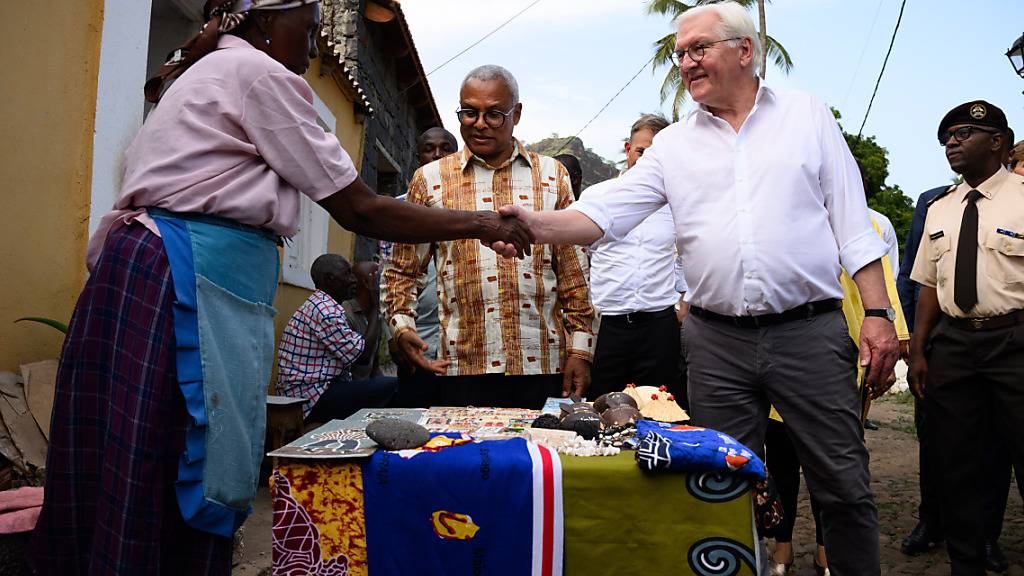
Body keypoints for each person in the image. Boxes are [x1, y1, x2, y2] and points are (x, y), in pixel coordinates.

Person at [29, 2, 531, 573]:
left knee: (135, 452)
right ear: (266, 22)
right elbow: (359, 208)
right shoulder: (259, 75)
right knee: (183, 451)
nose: (317, 48)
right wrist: (484, 224)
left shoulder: (210, 69)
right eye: (311, 30)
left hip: (151, 268)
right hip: (182, 277)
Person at [492, 4, 899, 574]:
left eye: (698, 48)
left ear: (745, 51)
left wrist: (877, 313)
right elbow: (603, 212)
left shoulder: (808, 117)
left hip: (809, 332)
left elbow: (853, 226)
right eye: (680, 53)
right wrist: (530, 226)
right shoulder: (674, 145)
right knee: (718, 484)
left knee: (843, 485)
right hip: (717, 346)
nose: (685, 62)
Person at [382, 64, 598, 409]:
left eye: (494, 114)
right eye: (469, 113)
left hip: (541, 363)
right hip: (462, 368)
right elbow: (402, 269)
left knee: (537, 461)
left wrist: (581, 349)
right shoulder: (429, 179)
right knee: (469, 462)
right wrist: (403, 327)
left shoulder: (552, 176)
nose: (479, 123)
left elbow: (574, 272)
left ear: (517, 113)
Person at [909, 100, 1024, 576]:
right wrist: (918, 351)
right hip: (955, 344)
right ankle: (966, 562)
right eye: (947, 138)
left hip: (1016, 342)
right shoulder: (940, 208)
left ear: (996, 141)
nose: (951, 143)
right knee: (954, 462)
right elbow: (929, 286)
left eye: (962, 134)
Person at [584, 114, 687, 401]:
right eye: (642, 151)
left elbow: (687, 257)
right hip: (608, 327)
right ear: (628, 148)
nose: (647, 160)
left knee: (660, 415)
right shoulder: (597, 196)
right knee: (603, 414)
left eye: (656, 154)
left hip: (660, 327)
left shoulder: (677, 203)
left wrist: (683, 304)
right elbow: (580, 261)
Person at [277, 255, 397, 422]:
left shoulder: (324, 305)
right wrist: (376, 307)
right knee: (393, 387)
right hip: (311, 398)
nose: (353, 280)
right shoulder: (325, 311)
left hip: (318, 390)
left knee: (385, 387)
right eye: (348, 274)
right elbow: (363, 356)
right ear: (329, 279)